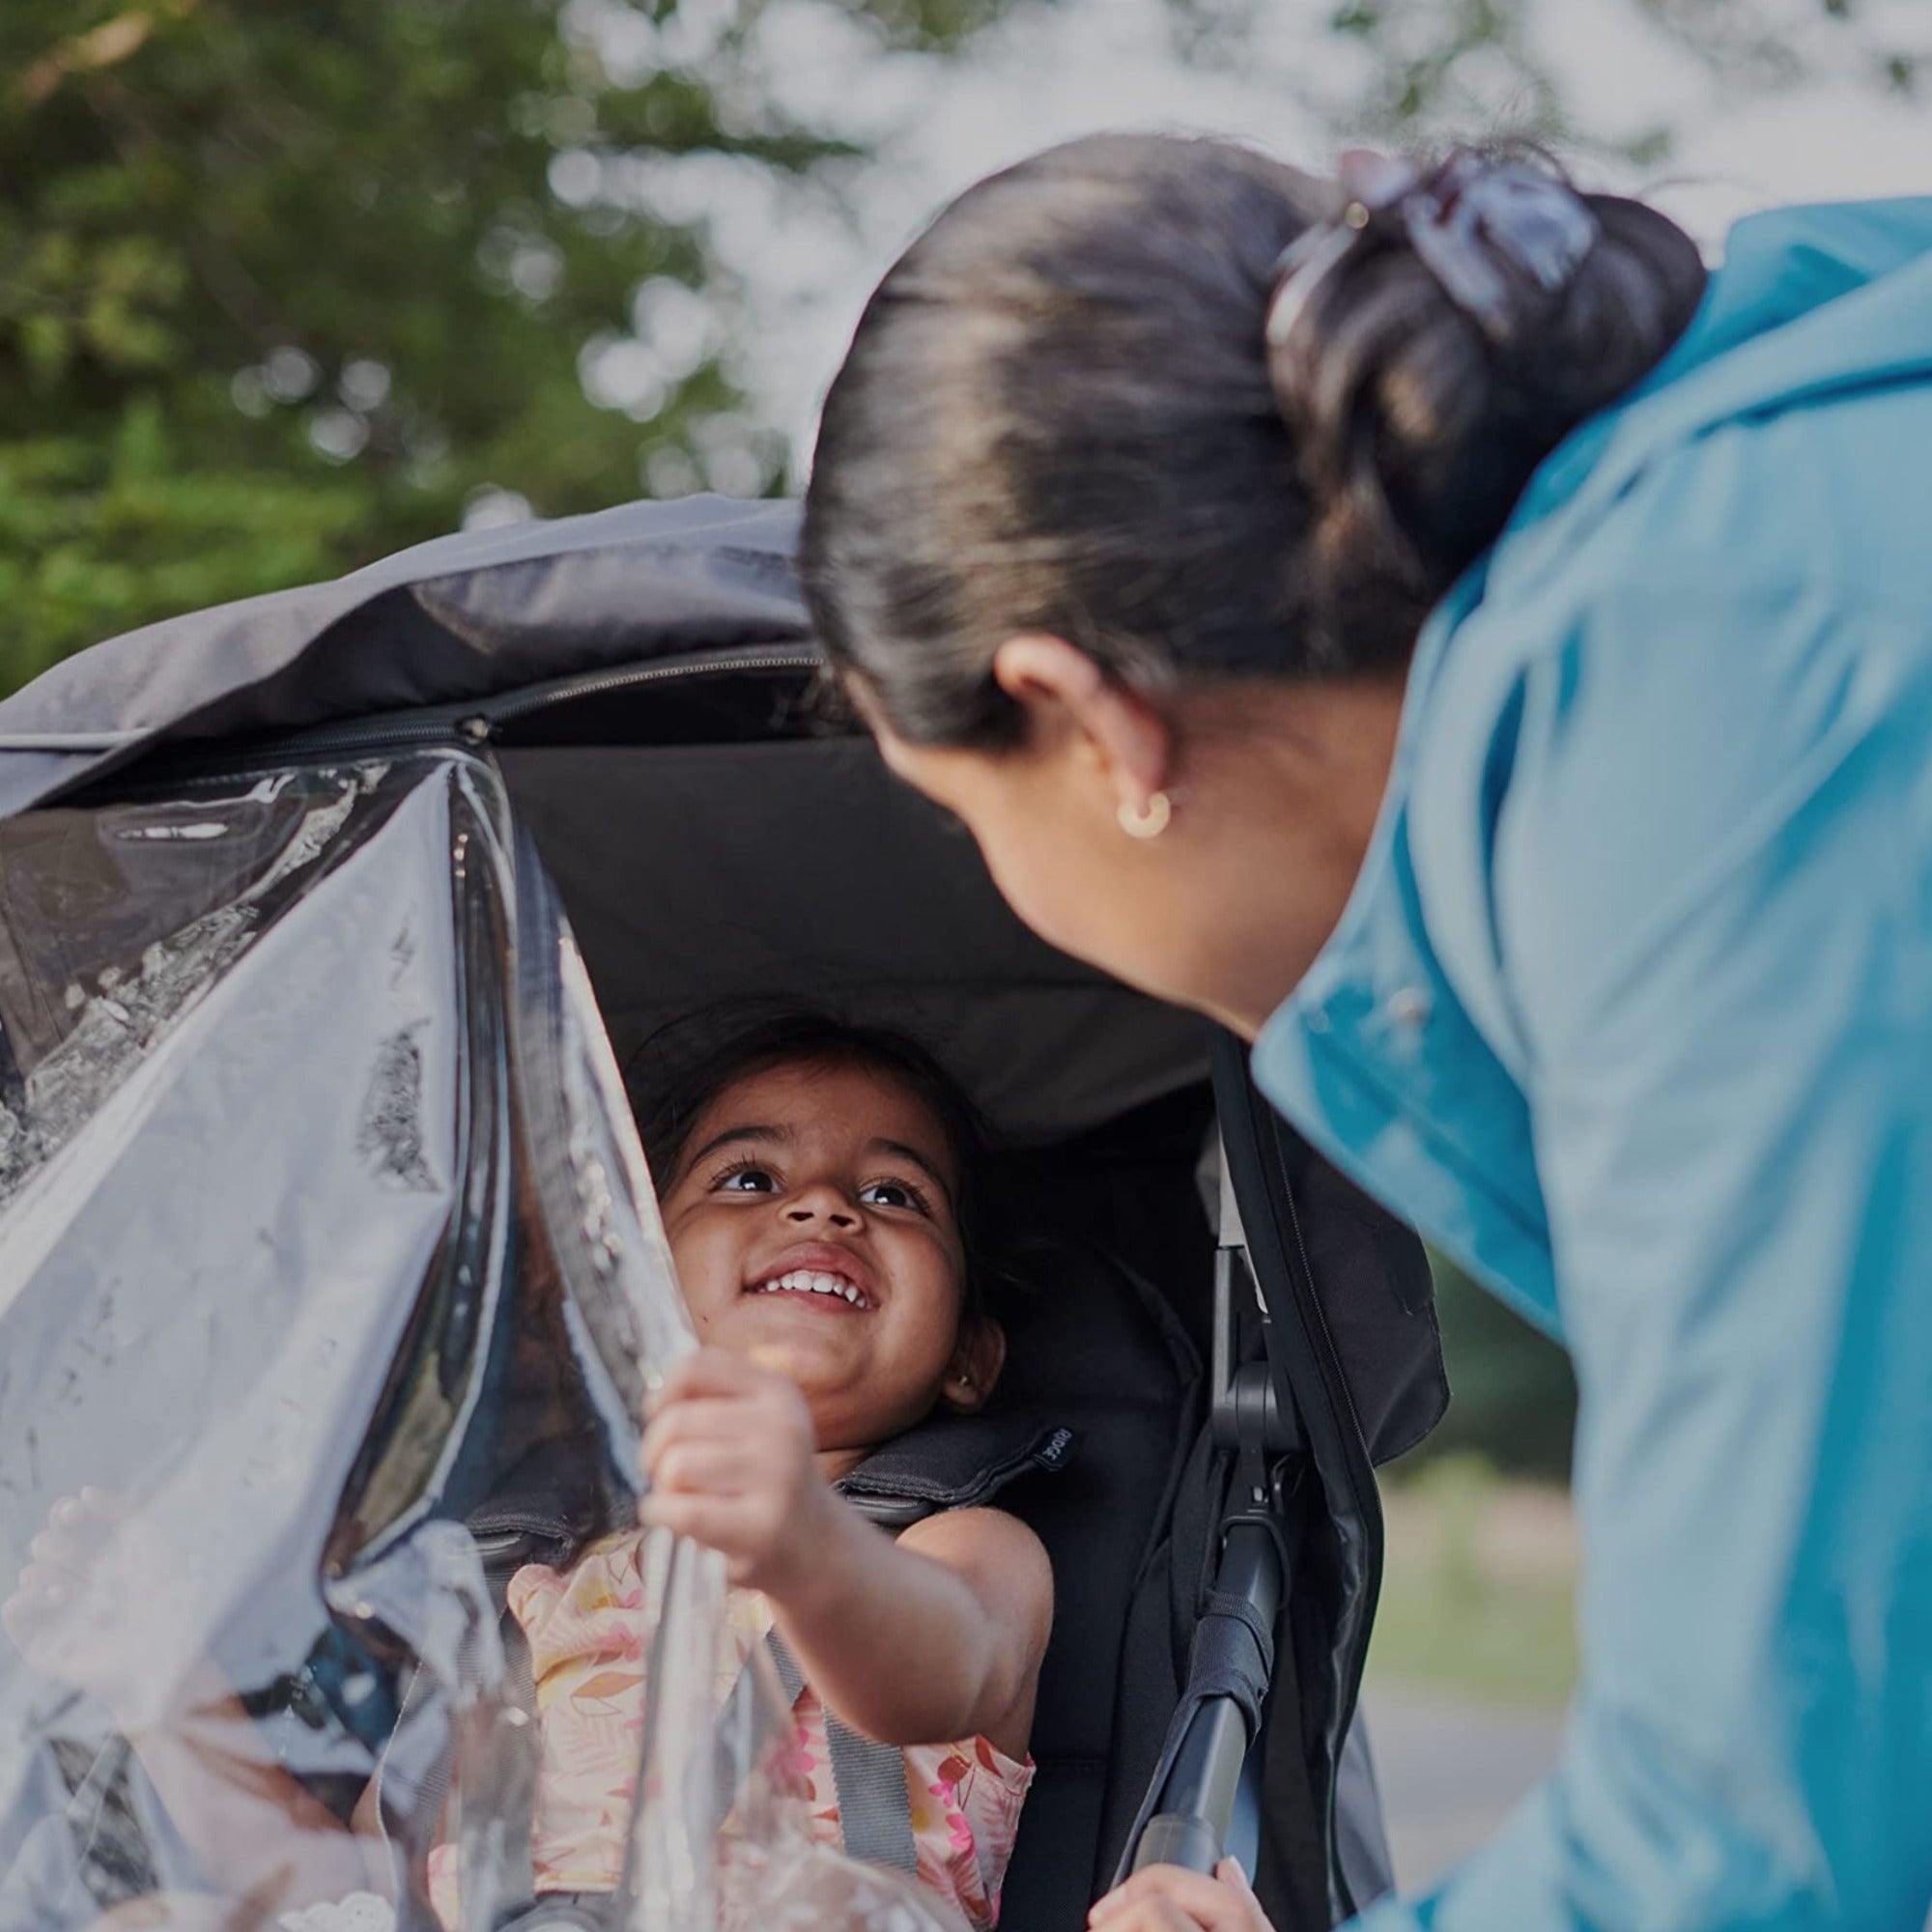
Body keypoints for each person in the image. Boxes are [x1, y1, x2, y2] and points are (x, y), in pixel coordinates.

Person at [799, 134, 1932, 1927]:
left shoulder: (1703, 726)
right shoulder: (1762, 500)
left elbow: (1773, 1830)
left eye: (962, 817)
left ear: (1092, 726)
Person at [7, 1015, 1052, 1932]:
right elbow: (337, 1880)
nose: (823, 1207)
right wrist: (167, 1686)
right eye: (749, 1177)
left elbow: (941, 1671)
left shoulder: (958, 1549)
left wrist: (802, 1543)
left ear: (970, 1355)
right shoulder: (535, 1594)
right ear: (632, 1279)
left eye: (892, 1192)